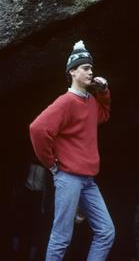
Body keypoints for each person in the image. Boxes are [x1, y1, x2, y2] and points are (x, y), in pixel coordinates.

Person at [29, 40, 115, 261]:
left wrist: (104, 91)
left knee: (106, 232)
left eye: (91, 68)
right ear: (73, 71)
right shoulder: (65, 102)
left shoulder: (91, 102)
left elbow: (103, 115)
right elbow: (37, 129)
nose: (91, 71)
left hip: (88, 180)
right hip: (68, 178)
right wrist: (51, 164)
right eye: (86, 68)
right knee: (61, 237)